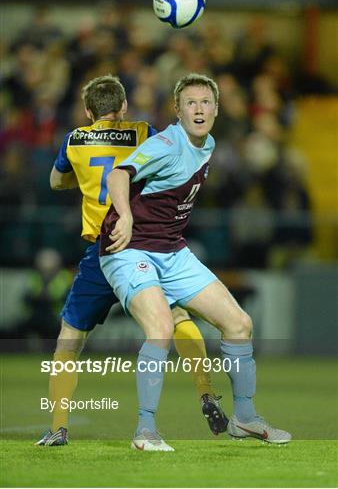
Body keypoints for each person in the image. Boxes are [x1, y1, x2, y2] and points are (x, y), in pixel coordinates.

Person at [99, 73, 292, 451]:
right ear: (178, 110)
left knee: (239, 324)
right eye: (191, 103)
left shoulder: (209, 144)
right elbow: (119, 174)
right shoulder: (166, 143)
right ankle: (145, 429)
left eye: (206, 102)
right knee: (160, 327)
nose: (199, 109)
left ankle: (245, 419)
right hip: (129, 247)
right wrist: (124, 214)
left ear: (216, 110)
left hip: (171, 250)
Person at [36, 74, 227, 446]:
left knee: (70, 338)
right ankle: (206, 393)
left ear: (89, 111)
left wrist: (86, 177)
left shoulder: (74, 139)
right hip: (143, 243)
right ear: (123, 107)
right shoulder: (144, 132)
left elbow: (55, 183)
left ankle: (58, 426)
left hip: (101, 249)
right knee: (176, 318)